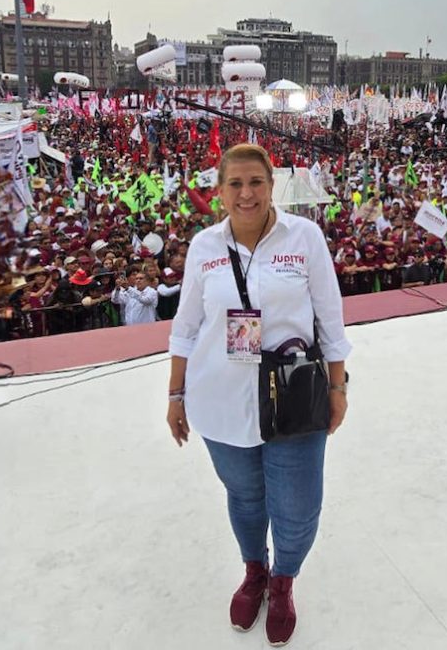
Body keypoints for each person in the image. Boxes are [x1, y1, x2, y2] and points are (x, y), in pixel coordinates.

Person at [167, 143, 351, 645]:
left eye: (256, 182)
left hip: (295, 397)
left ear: (272, 186)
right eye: (235, 184)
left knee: (297, 507)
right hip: (221, 400)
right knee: (246, 498)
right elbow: (186, 327)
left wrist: (338, 386)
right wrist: (176, 395)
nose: (246, 194)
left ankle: (283, 580)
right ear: (219, 191)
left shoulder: (304, 237)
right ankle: (255, 571)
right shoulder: (204, 247)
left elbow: (330, 319)